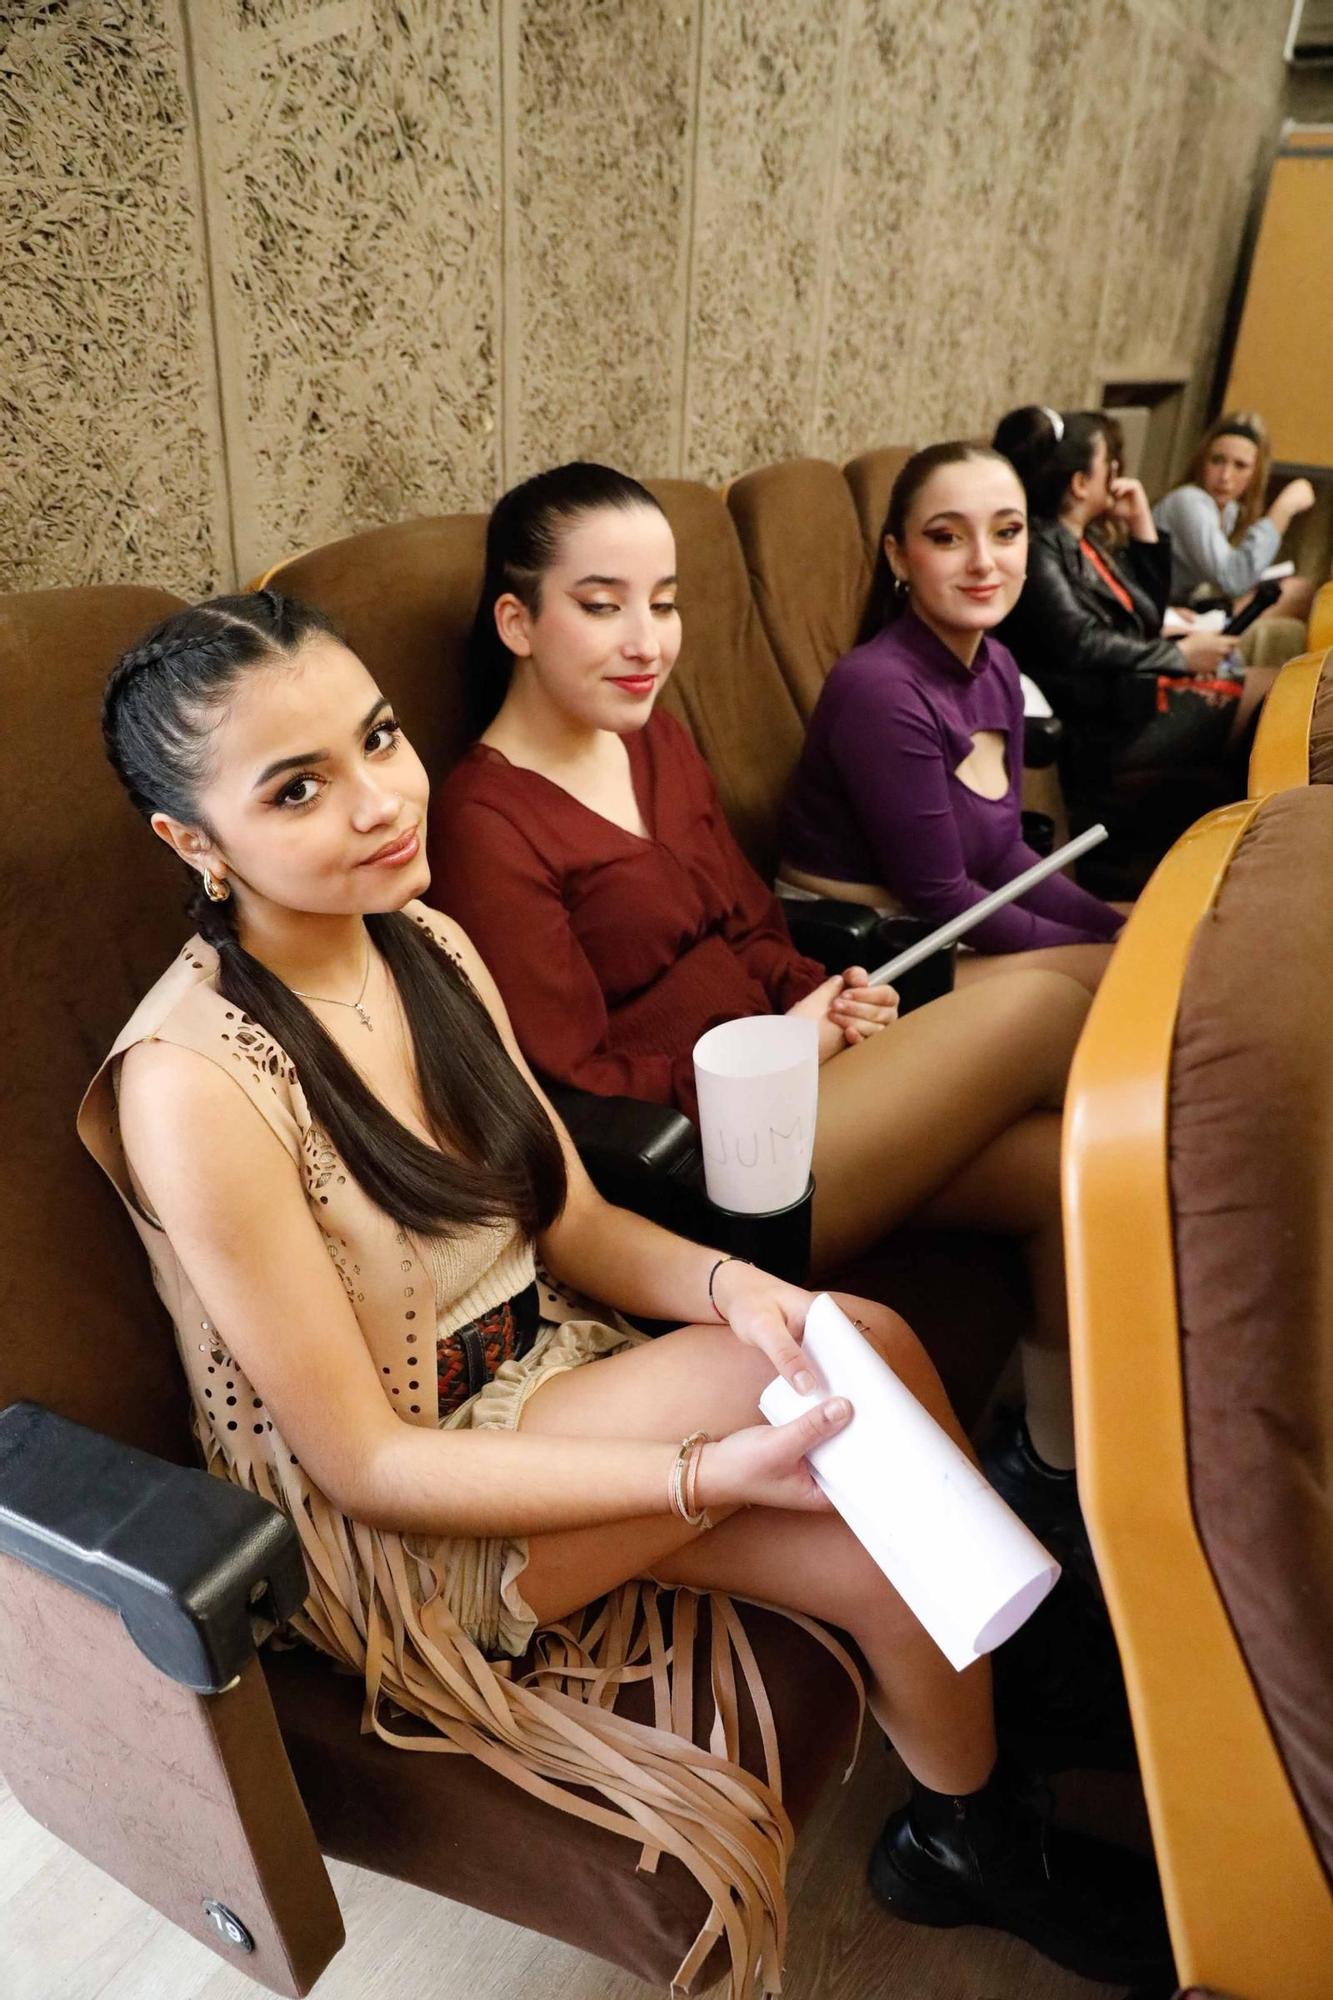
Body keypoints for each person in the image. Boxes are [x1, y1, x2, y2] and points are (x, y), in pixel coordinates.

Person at [80, 590, 1170, 1989]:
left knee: (844, 1382)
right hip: (394, 1526)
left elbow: (574, 1221)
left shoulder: (423, 944)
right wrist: (703, 1469)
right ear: (192, 841)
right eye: (299, 788)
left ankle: (971, 1811)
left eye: (381, 739)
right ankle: (1009, 1750)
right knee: (857, 1404)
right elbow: (364, 1462)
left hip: (542, 1378)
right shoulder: (191, 1085)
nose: (378, 803)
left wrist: (731, 1287)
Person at [429, 463, 1106, 1556]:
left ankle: (1062, 1480)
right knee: (1044, 999)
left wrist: (814, 994)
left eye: (664, 601)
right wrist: (776, 1047)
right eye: (602, 605)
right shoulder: (484, 819)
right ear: (517, 619)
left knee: (1061, 1173)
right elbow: (567, 1082)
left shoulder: (651, 736)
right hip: (702, 1174)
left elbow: (748, 922)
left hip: (800, 1078)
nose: (645, 638)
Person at [780, 442, 1124, 994]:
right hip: (865, 961)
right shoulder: (880, 690)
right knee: (1132, 980)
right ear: (898, 556)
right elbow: (938, 895)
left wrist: (1112, 929)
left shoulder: (1000, 668)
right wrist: (1091, 947)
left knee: (1144, 949)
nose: (984, 561)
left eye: (1007, 532)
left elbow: (1007, 853)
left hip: (947, 929)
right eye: (947, 537)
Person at [994, 407, 1272, 789]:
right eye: (1110, 462)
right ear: (1079, 483)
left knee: (1285, 689)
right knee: (1277, 701)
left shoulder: (1087, 539)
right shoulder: (1041, 549)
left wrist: (1142, 526)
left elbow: (1147, 617)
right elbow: (1081, 641)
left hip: (1134, 693)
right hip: (1106, 724)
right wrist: (1180, 656)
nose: (1117, 473)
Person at [1153, 411, 1315, 620]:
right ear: (1202, 462)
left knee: (1299, 590)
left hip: (1183, 607)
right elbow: (1234, 578)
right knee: (1293, 595)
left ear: (1255, 473)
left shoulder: (1230, 510)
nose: (1225, 476)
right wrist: (1283, 509)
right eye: (1217, 461)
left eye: (1240, 466)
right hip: (1155, 611)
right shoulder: (1188, 501)